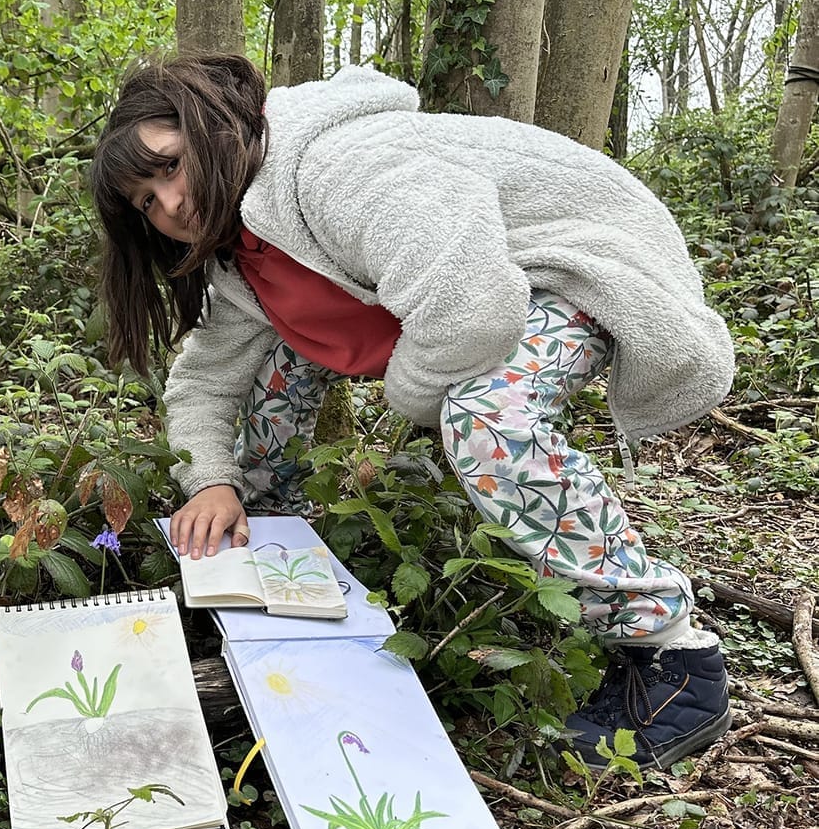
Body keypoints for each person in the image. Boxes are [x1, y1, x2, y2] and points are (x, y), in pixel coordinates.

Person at [90, 52, 737, 773]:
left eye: (170, 167)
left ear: (209, 128)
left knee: (484, 415)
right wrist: (213, 480)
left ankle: (674, 652)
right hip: (489, 292)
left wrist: (410, 401)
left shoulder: (334, 164)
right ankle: (273, 557)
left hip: (581, 259)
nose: (170, 205)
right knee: (273, 366)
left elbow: (475, 305)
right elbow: (204, 380)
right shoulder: (237, 252)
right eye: (146, 200)